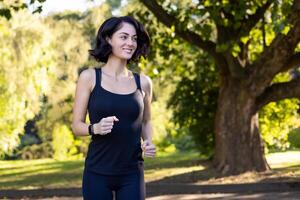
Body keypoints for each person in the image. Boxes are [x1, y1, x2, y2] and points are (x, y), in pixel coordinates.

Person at [71, 16, 156, 200]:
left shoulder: (144, 82)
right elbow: (76, 126)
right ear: (109, 39)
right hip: (97, 172)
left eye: (134, 38)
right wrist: (95, 128)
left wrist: (148, 141)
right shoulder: (89, 77)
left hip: (132, 172)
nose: (130, 43)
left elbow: (147, 121)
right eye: (124, 37)